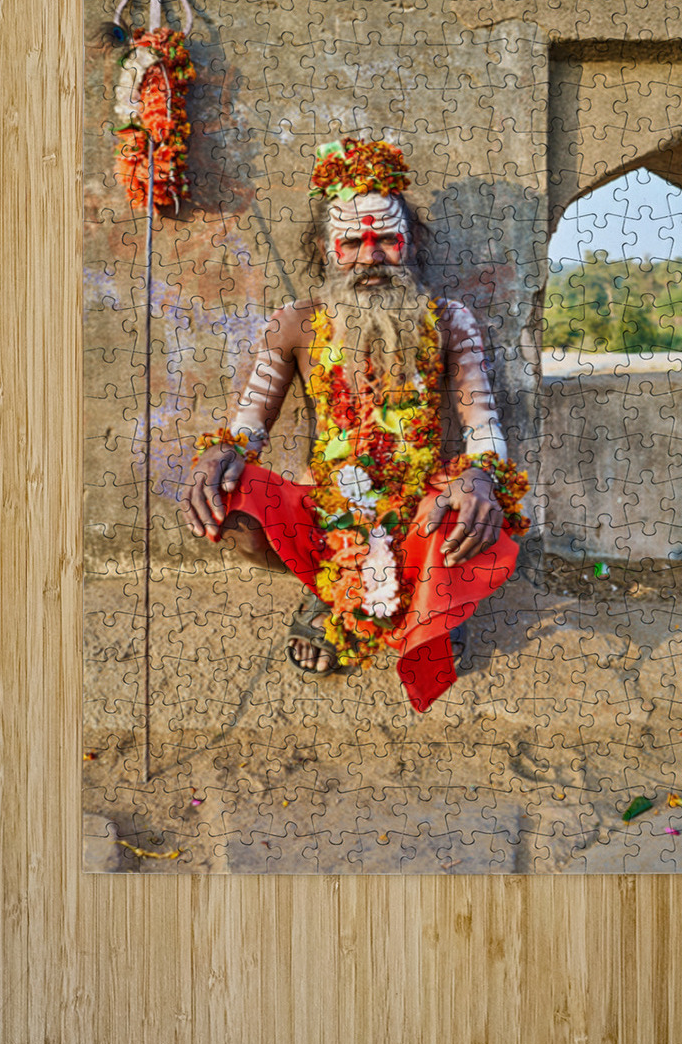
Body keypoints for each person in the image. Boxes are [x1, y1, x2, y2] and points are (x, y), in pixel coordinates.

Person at [182, 138, 528, 712]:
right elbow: (248, 427)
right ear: (326, 248)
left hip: (423, 511)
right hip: (330, 510)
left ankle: (433, 602)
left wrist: (479, 477)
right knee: (232, 500)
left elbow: (483, 428)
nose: (371, 258)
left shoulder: (450, 321)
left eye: (386, 240)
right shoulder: (294, 323)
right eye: (353, 242)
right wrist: (222, 454)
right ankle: (327, 593)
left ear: (410, 244)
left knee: (477, 505)